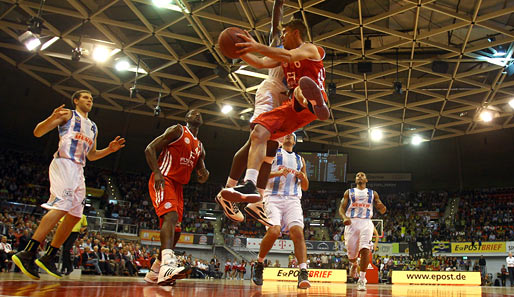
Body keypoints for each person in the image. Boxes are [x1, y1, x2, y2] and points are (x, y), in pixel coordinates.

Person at [12, 90, 126, 280]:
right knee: (61, 207)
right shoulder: (68, 115)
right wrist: (50, 118)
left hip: (79, 169)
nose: (89, 100)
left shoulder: (93, 127)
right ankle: (27, 252)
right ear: (75, 100)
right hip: (64, 163)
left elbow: (92, 155)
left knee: (74, 216)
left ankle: (49, 255)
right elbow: (38, 132)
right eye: (85, 98)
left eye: (91, 99)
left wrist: (109, 149)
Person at [220, 18, 330, 204]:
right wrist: (240, 50)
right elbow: (260, 63)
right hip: (292, 109)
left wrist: (255, 44)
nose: (283, 37)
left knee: (299, 88)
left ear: (296, 33)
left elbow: (288, 57)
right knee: (259, 133)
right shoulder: (282, 56)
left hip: (309, 99)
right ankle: (250, 184)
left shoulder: (310, 49)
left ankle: (312, 101)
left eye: (285, 33)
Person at [216, 0, 287, 227]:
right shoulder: (279, 44)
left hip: (284, 102)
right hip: (270, 91)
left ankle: (258, 201)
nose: (284, 33)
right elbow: (276, 25)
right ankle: (227, 190)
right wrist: (279, 3)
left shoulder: (301, 52)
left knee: (271, 151)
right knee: (256, 141)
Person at [143, 109, 209, 286]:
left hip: (179, 186)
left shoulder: (200, 146)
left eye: (199, 113)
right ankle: (167, 265)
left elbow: (201, 171)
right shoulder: (177, 130)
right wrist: (156, 172)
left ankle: (155, 271)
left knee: (177, 232)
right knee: (170, 217)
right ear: (186, 118)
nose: (197, 114)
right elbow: (149, 149)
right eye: (193, 113)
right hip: (164, 179)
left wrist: (204, 174)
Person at [252, 134, 311, 289]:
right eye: (286, 135)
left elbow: (305, 186)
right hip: (273, 196)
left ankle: (303, 272)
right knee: (274, 231)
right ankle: (259, 264)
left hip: (293, 199)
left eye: (292, 135)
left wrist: (302, 177)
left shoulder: (300, 159)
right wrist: (277, 173)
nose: (289, 137)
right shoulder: (272, 152)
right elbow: (260, 175)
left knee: (298, 233)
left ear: (295, 141)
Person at [339, 172, 387, 291]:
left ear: (366, 179)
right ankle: (354, 263)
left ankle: (362, 279)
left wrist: (382, 207)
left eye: (362, 175)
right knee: (351, 256)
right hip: (352, 222)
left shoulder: (372, 193)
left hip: (366, 222)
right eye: (357, 175)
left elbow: (383, 210)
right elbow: (341, 208)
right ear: (355, 180)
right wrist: (344, 218)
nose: (359, 176)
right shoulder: (349, 192)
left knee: (365, 249)